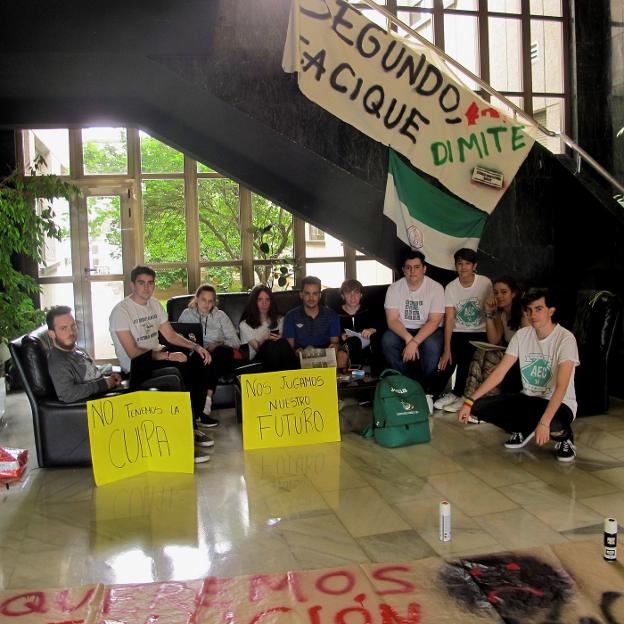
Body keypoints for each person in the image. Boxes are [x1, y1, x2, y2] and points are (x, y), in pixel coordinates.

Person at [108, 266, 217, 461]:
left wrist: (196, 347)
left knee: (197, 361)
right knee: (177, 370)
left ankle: (192, 422)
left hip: (157, 355)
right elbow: (133, 353)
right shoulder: (121, 312)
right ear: (132, 285)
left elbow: (171, 335)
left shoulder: (155, 305)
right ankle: (183, 442)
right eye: (141, 283)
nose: (146, 287)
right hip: (136, 366)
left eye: (150, 283)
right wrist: (168, 357)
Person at [458, 288, 579, 463]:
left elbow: (562, 386)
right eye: (529, 310)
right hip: (529, 399)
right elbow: (499, 372)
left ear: (551, 311)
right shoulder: (522, 335)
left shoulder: (565, 339)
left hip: (560, 403)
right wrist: (470, 401)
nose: (532, 315)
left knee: (554, 424)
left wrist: (544, 423)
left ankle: (564, 438)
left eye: (538, 309)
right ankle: (524, 428)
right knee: (478, 407)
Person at [47, 305, 185, 402]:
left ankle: (188, 425)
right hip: (105, 399)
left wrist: (108, 376)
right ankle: (184, 428)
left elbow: (91, 373)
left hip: (110, 387)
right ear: (51, 334)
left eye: (73, 326)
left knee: (173, 371)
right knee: (171, 381)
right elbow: (67, 394)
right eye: (63, 328)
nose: (71, 332)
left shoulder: (74, 349)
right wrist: (104, 384)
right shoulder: (58, 361)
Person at [434, 248, 493, 412]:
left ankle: (461, 395)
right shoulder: (451, 287)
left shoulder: (485, 283)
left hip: (480, 331)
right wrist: (447, 348)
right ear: (455, 266)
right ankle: (437, 394)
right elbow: (450, 319)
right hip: (458, 331)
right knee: (448, 358)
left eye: (467, 263)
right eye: (460, 264)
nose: (463, 267)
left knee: (467, 354)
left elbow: (491, 310)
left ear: (474, 266)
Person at [461, 275, 528, 410]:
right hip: (509, 352)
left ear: (513, 293)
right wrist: (488, 313)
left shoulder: (523, 314)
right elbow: (494, 339)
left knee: (491, 360)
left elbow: (527, 346)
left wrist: (502, 364)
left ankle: (488, 403)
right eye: (496, 293)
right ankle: (469, 399)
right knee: (481, 352)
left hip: (522, 357)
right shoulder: (501, 313)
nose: (499, 296)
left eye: (504, 292)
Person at [381, 250, 444, 389]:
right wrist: (409, 338)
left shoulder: (436, 288)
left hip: (429, 329)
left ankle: (426, 386)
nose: (412, 271)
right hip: (404, 328)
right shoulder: (394, 288)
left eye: (417, 267)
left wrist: (415, 341)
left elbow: (434, 321)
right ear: (403, 270)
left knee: (431, 346)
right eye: (408, 267)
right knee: (388, 340)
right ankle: (407, 382)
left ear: (424, 269)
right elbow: (392, 321)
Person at [178, 284, 241, 394]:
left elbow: (236, 342)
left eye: (210, 301)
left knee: (222, 352)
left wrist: (218, 344)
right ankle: (207, 397)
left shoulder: (221, 316)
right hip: (196, 355)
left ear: (214, 302)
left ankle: (208, 395)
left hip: (219, 354)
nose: (207, 304)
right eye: (203, 300)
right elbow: (178, 338)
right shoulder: (186, 314)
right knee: (198, 359)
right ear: (197, 299)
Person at [282, 275, 347, 368]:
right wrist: (295, 352)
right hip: (301, 355)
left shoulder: (332, 315)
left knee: (342, 355)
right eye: (307, 293)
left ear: (320, 295)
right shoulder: (291, 316)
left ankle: (338, 382)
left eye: (315, 294)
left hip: (325, 353)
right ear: (301, 295)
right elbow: (290, 347)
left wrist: (334, 347)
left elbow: (334, 342)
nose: (311, 298)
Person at [239, 285, 299, 372]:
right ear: (254, 302)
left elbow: (285, 347)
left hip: (280, 358)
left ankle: (292, 379)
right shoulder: (244, 325)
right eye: (260, 300)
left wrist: (281, 337)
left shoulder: (280, 320)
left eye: (267, 299)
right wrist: (265, 338)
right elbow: (256, 348)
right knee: (269, 344)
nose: (264, 303)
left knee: (281, 342)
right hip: (258, 361)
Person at [334, 279, 380, 372]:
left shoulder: (369, 310)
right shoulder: (336, 313)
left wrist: (372, 329)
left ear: (361, 295)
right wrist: (341, 336)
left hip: (367, 342)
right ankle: (355, 374)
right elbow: (332, 333)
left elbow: (383, 325)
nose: (352, 297)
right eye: (348, 293)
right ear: (343, 296)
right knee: (353, 342)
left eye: (356, 293)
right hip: (346, 345)